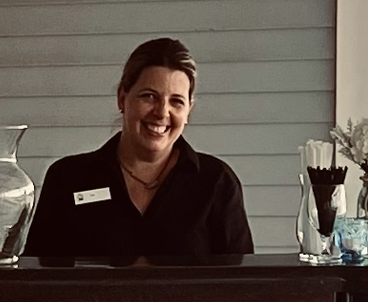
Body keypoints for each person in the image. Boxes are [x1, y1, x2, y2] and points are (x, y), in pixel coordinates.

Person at [24, 37, 254, 263]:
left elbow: (242, 287)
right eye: (149, 96)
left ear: (188, 111)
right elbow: (37, 282)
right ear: (122, 99)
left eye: (176, 102)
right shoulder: (68, 179)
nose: (162, 112)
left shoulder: (216, 182)